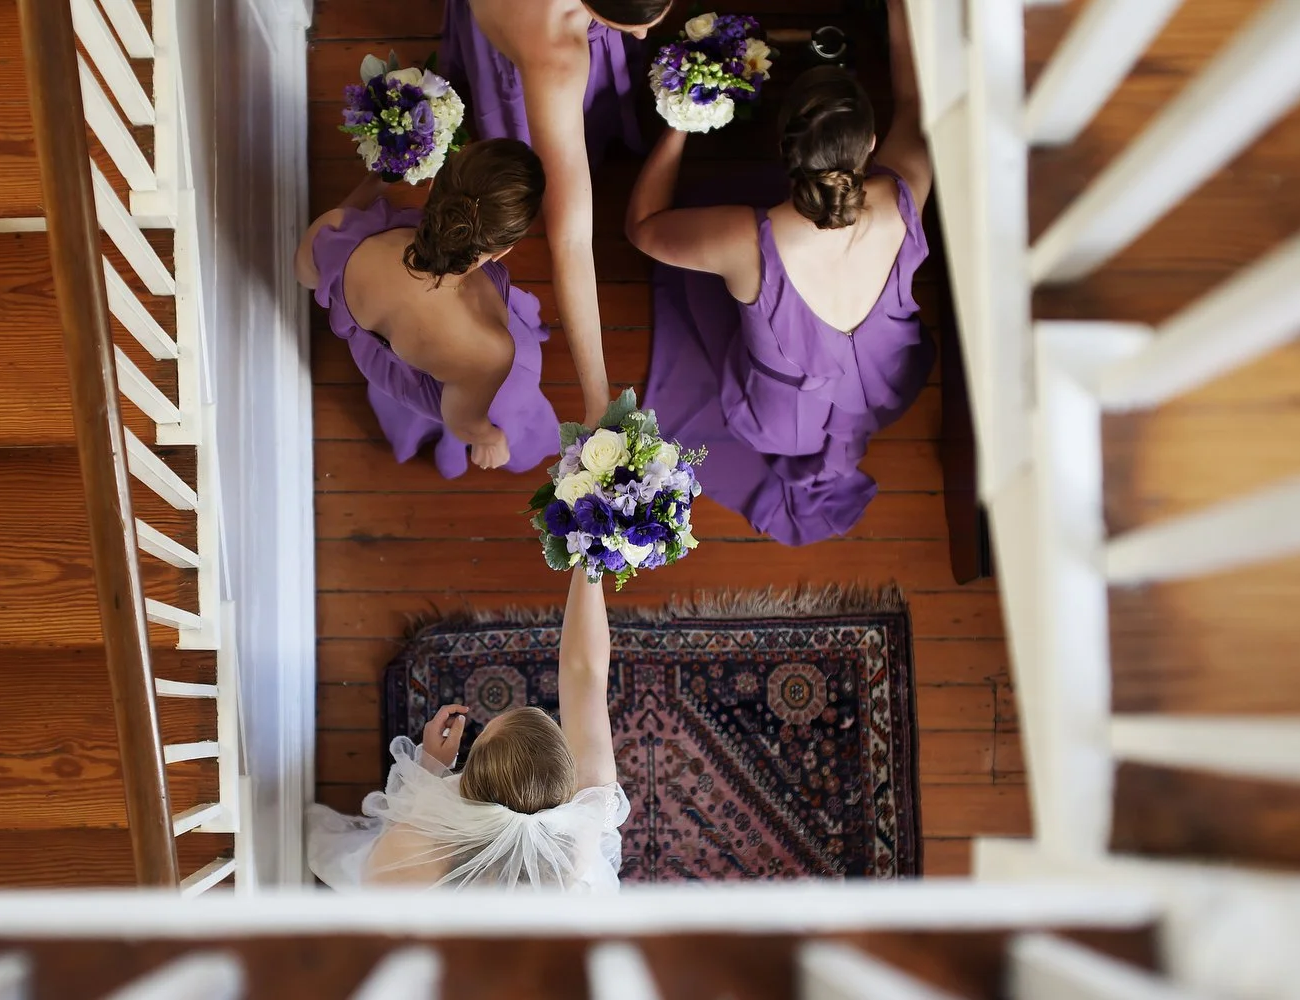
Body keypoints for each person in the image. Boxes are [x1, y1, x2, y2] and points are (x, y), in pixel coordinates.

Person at [624, 0, 935, 545]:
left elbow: (643, 227)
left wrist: (680, 121)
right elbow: (913, 100)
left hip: (783, 422)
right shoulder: (904, 194)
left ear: (783, 149)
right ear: (869, 144)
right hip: (886, 388)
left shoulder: (746, 241)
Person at [306, 575, 627, 890]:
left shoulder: (407, 855)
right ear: (566, 779)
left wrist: (429, 766)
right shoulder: (584, 832)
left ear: (471, 788)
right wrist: (591, 556)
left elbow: (375, 897)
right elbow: (585, 670)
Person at [438, 0, 675, 428]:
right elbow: (570, 240)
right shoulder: (555, 60)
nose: (641, 36)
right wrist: (597, 397)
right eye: (627, 24)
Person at [296, 139, 559, 477]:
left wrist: (373, 183)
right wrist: (489, 438)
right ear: (504, 250)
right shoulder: (488, 349)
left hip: (380, 355)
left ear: (434, 184)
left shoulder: (337, 231)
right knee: (509, 397)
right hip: (460, 381)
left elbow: (305, 274)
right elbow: (462, 419)